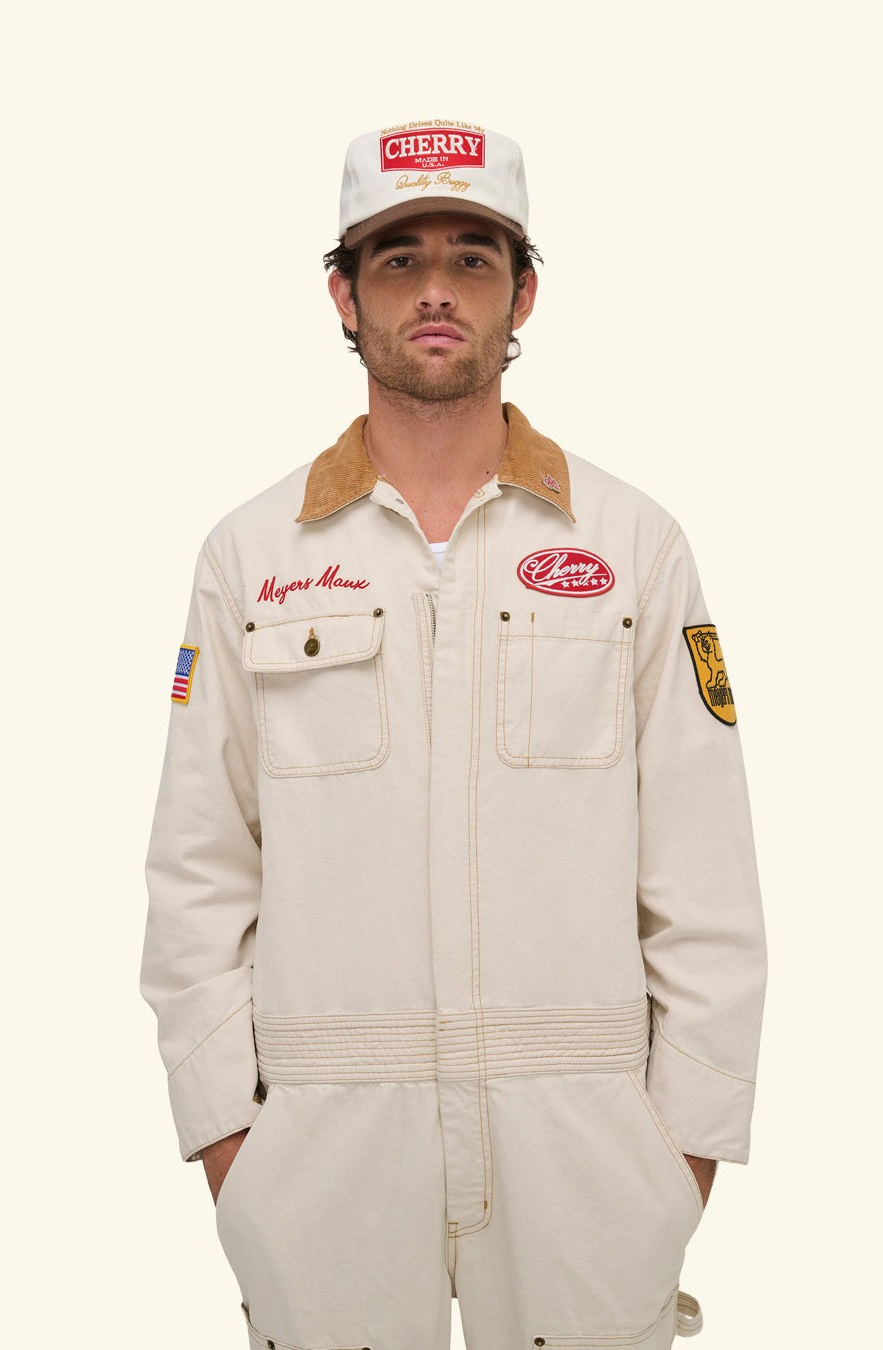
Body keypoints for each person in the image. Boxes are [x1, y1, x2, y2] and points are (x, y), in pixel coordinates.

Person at [140, 118, 767, 1350]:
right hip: (323, 1156)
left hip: (586, 1155)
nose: (436, 289)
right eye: (398, 258)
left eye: (473, 258)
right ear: (345, 295)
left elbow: (706, 877)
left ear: (522, 292)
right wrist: (232, 1149)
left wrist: (676, 1168)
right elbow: (197, 874)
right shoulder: (251, 557)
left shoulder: (632, 546)